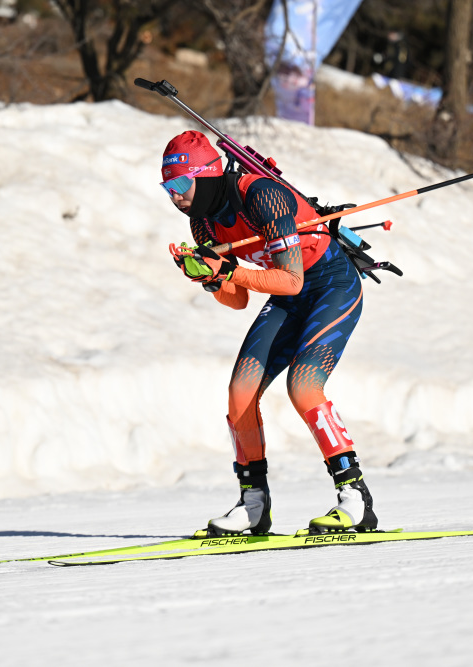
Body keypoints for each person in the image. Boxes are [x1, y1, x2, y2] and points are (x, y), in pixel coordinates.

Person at [160, 130, 377, 536]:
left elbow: (292, 280)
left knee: (304, 386)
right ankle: (254, 505)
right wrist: (207, 278)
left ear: (206, 175)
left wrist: (225, 269)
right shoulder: (202, 222)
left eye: (179, 184)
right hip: (286, 295)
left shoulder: (261, 194)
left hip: (330, 284)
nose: (174, 196)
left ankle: (355, 499)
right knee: (240, 395)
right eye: (166, 187)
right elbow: (237, 298)